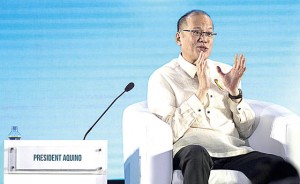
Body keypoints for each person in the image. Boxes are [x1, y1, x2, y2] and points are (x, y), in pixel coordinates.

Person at [147, 9, 299, 184]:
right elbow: (169, 131)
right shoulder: (163, 77)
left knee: (278, 166)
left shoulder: (224, 72)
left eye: (209, 33)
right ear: (178, 38)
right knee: (197, 154)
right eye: (196, 32)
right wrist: (201, 92)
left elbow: (246, 130)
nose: (204, 38)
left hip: (232, 150)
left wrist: (235, 94)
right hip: (191, 151)